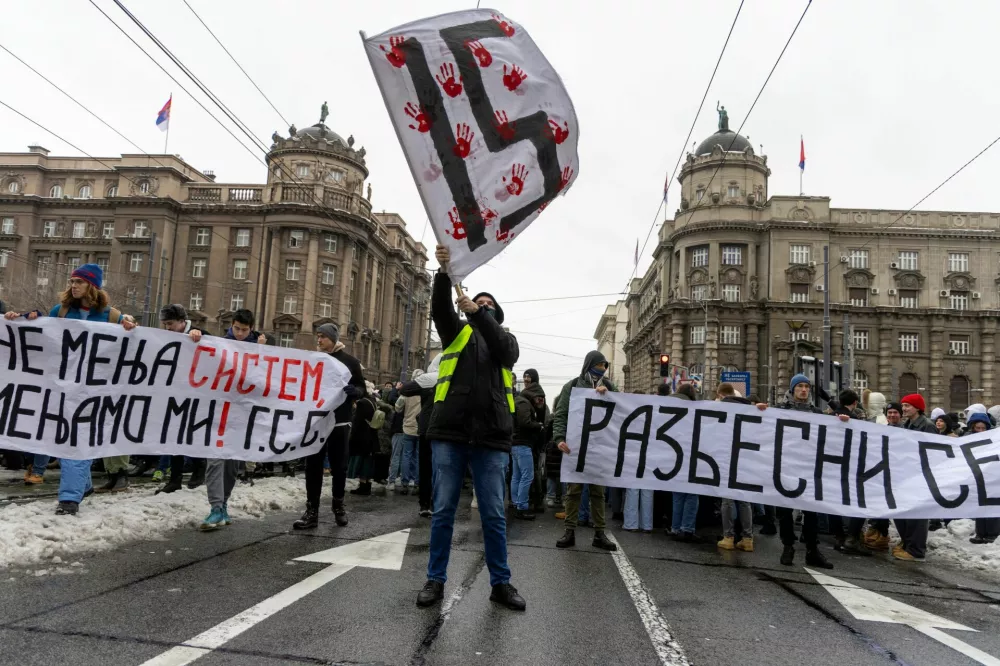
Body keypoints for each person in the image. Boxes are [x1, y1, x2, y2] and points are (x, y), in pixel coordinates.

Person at [416, 245, 524, 612]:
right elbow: (440, 309)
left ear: (495, 313)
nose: (481, 304)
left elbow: (506, 351)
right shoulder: (456, 333)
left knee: (493, 514)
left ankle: (501, 583)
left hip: (492, 437)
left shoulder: (504, 341)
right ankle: (435, 579)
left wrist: (481, 315)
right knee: (443, 510)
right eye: (477, 300)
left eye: (488, 304)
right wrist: (445, 272)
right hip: (451, 432)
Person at [4, 263, 137, 514]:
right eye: (72, 282)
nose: (73, 286)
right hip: (62, 389)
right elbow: (40, 335)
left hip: (94, 392)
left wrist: (130, 325)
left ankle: (69, 499)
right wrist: (19, 320)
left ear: (93, 286)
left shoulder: (111, 316)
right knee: (65, 439)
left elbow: (133, 342)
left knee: (77, 439)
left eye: (79, 282)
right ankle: (82, 486)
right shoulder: (61, 311)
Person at [755, 374, 838, 569]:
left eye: (806, 387)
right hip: (787, 467)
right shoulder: (780, 410)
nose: (803, 390)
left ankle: (812, 550)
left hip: (809, 468)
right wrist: (759, 411)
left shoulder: (816, 412)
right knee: (785, 510)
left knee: (812, 511)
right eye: (800, 386)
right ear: (792, 390)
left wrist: (842, 421)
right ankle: (788, 546)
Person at [293, 323, 365, 530]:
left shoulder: (350, 362)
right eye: (318, 336)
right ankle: (311, 512)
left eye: (323, 336)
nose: (319, 340)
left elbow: (361, 386)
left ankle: (338, 506)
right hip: (316, 421)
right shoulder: (314, 360)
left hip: (340, 421)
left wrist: (357, 392)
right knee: (313, 466)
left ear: (333, 338)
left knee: (339, 466)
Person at [552, 351, 619, 553]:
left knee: (598, 492)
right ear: (589, 364)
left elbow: (621, 409)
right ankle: (569, 532)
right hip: (576, 446)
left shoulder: (609, 386)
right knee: (574, 491)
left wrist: (608, 394)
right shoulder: (572, 386)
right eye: (599, 364)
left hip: (599, 447)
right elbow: (561, 414)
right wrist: (559, 438)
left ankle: (599, 533)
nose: (602, 369)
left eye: (604, 365)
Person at [157, 304, 214, 496]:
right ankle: (175, 479)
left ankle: (199, 468)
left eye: (170, 324)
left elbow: (216, 355)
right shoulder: (166, 337)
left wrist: (200, 340)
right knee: (174, 435)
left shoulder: (201, 334)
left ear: (183, 321)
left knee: (193, 432)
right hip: (175, 393)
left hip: (197, 394)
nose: (167, 328)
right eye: (165, 324)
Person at [893, 393, 936, 562]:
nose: (903, 409)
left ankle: (916, 550)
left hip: (921, 475)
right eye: (903, 406)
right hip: (907, 474)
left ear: (917, 408)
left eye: (907, 406)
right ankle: (908, 543)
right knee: (903, 511)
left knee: (917, 514)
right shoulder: (908, 424)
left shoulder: (927, 425)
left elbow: (932, 451)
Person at [399, 356, 442, 518]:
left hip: (427, 429)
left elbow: (405, 389)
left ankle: (425, 503)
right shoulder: (458, 378)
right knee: (444, 469)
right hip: (448, 431)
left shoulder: (429, 378)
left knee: (426, 468)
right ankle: (440, 503)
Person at [715, 384, 754, 551]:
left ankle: (729, 537)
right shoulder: (749, 408)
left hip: (727, 457)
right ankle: (748, 539)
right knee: (744, 499)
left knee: (728, 500)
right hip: (745, 458)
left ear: (720, 394)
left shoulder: (721, 408)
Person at [666, 383, 702, 542]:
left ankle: (675, 528)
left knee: (678, 494)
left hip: (673, 456)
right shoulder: (695, 408)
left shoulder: (668, 405)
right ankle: (687, 529)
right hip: (692, 455)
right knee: (692, 494)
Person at [963, 413, 1000, 544]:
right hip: (976, 477)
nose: (980, 431)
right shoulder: (965, 440)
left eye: (983, 428)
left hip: (992, 477)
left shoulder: (993, 440)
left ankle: (992, 534)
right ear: (972, 427)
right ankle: (980, 533)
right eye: (977, 428)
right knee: (979, 505)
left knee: (992, 505)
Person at [511, 381, 546, 520]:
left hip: (515, 444)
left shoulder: (520, 401)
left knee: (517, 476)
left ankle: (516, 503)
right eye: (540, 398)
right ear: (534, 394)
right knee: (527, 476)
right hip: (523, 444)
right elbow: (525, 422)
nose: (540, 401)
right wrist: (539, 425)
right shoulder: (524, 403)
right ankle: (522, 507)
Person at [348, 385, 382, 496]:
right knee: (368, 461)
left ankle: (363, 486)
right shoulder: (372, 401)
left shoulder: (362, 403)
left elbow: (357, 421)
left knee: (362, 462)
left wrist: (352, 437)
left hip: (362, 436)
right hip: (371, 435)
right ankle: (367, 484)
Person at [395, 376, 423, 495]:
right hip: (421, 428)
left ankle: (404, 483)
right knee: (418, 457)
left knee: (406, 456)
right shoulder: (424, 392)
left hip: (408, 427)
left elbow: (397, 407)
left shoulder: (406, 394)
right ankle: (417, 483)